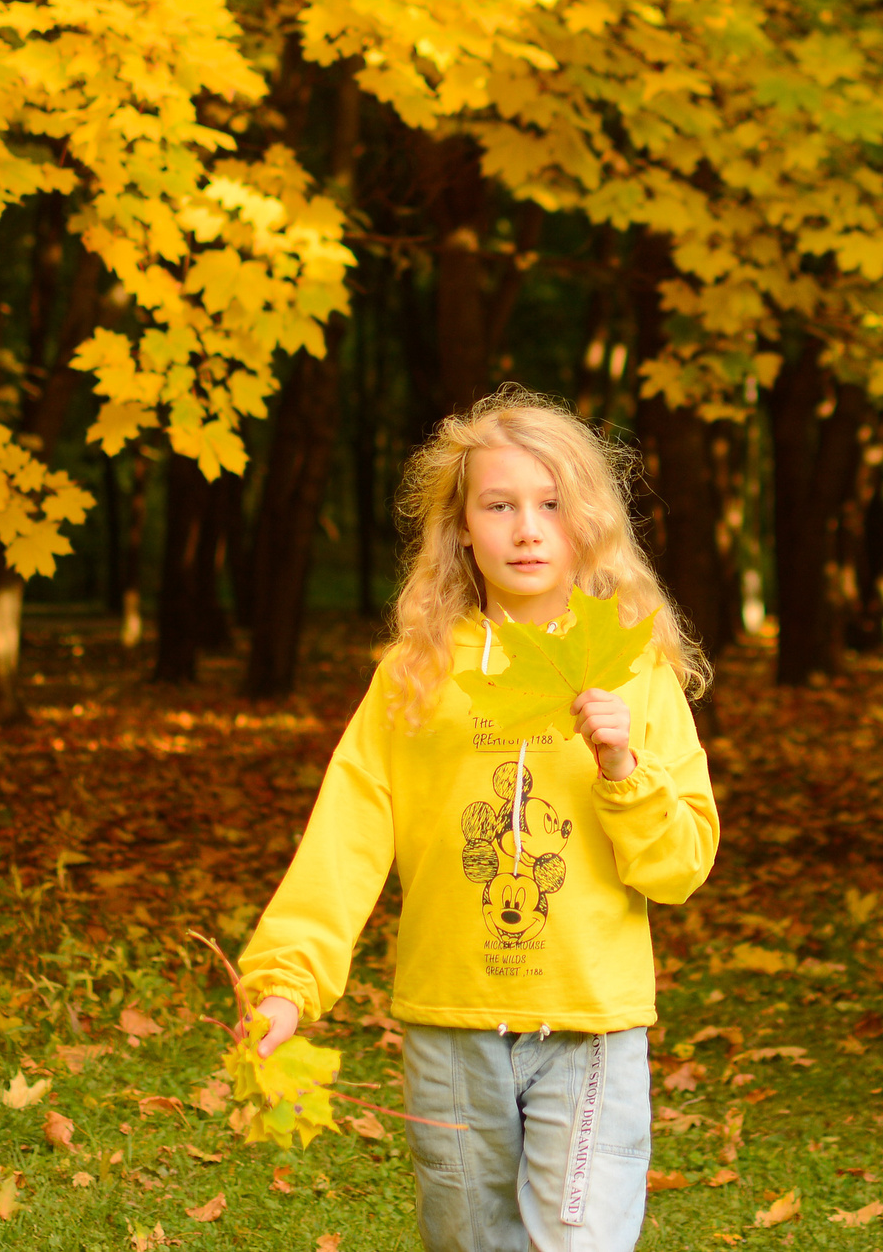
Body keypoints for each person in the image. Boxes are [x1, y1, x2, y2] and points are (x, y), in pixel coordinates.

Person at [238, 388, 720, 1252]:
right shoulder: (415, 674)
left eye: (551, 505)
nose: (527, 529)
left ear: (589, 525)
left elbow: (678, 867)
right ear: (462, 526)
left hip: (590, 1023)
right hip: (450, 1021)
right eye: (500, 506)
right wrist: (287, 981)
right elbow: (346, 837)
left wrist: (623, 766)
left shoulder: (634, 668)